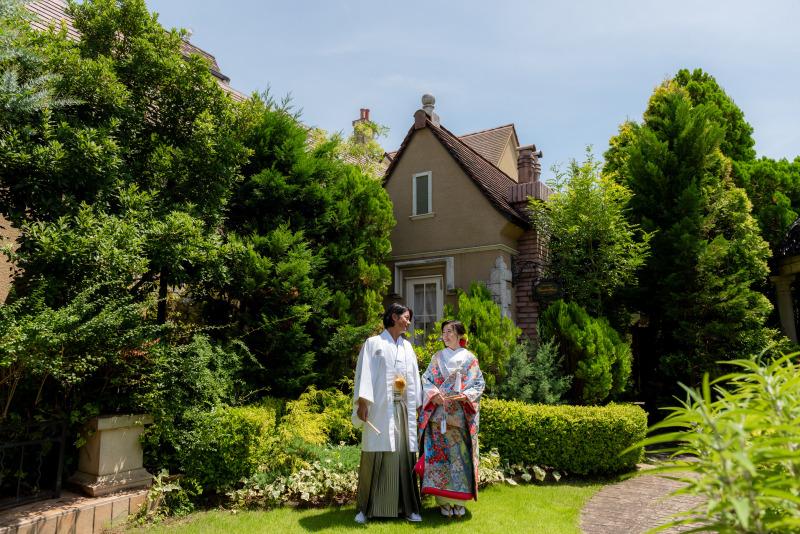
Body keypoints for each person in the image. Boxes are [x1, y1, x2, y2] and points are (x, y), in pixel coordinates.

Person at [351, 303, 423, 523]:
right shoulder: (373, 344)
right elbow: (364, 373)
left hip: (403, 408)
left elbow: (415, 377)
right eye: (406, 317)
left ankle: (409, 508)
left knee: (404, 455)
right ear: (394, 317)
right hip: (380, 408)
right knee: (375, 453)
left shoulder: (408, 347)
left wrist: (417, 405)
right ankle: (366, 509)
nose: (409, 322)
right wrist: (363, 403)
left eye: (410, 318)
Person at [417, 319, 485, 518]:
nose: (445, 336)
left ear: (460, 334)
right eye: (443, 332)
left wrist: (467, 396)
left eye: (449, 332)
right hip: (438, 416)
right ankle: (443, 501)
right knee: (439, 458)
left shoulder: (470, 359)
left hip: (460, 416)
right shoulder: (437, 357)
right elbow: (426, 379)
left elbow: (479, 383)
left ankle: (459, 500)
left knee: (460, 459)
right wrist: (432, 394)